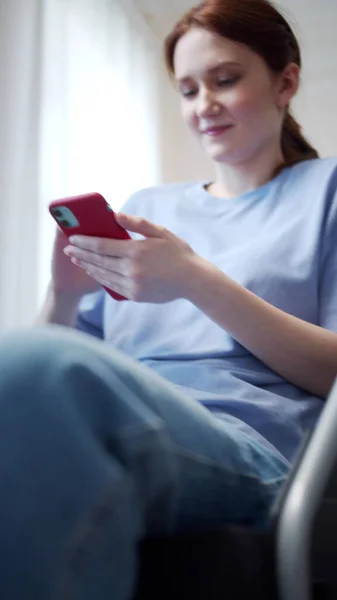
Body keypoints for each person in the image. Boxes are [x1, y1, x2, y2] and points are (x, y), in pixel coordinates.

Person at [1, 0, 337, 597]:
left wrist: (194, 278)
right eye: (186, 90)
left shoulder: (325, 194)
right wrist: (66, 292)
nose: (203, 105)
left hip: (252, 448)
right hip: (132, 410)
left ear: (285, 81)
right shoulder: (150, 207)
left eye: (225, 80)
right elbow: (52, 361)